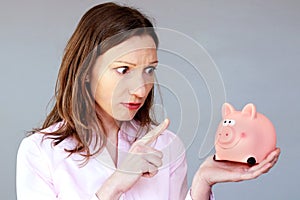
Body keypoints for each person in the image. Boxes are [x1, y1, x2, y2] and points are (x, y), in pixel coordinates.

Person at [16, 2, 280, 200]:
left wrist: (202, 182)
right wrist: (114, 185)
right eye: (123, 70)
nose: (141, 88)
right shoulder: (40, 152)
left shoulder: (167, 146)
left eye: (149, 69)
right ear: (85, 72)